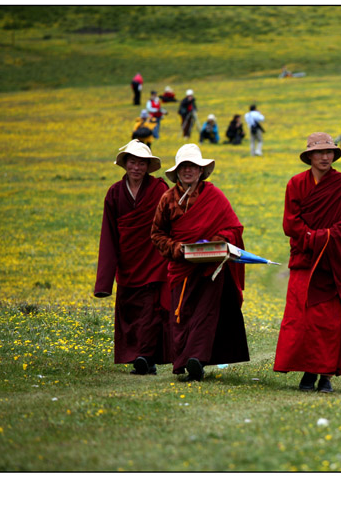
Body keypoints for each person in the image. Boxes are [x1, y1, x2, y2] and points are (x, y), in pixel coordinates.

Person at [273, 132, 341, 393]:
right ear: (310, 157)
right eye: (319, 152)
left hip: (332, 265)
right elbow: (290, 223)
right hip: (305, 262)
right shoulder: (296, 184)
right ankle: (307, 372)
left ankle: (325, 375)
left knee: (328, 323)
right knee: (302, 320)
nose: (325, 156)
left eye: (329, 152)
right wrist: (311, 238)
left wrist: (322, 237)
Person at [151, 144, 250, 381]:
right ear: (177, 172)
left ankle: (197, 360)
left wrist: (213, 244)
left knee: (205, 315)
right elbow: (157, 234)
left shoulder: (214, 196)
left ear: (200, 170)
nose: (188, 170)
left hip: (209, 268)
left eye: (193, 166)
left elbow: (234, 228)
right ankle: (183, 360)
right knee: (181, 315)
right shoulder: (167, 199)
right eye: (184, 166)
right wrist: (177, 249)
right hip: (180, 267)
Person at [94, 140, 171, 376]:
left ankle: (145, 356)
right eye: (132, 162)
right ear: (125, 164)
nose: (136, 167)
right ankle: (140, 358)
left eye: (141, 163)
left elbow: (169, 223)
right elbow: (109, 234)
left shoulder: (159, 189)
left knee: (151, 311)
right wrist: (104, 280)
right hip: (128, 261)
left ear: (148, 166)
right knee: (129, 312)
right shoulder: (115, 193)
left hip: (154, 259)